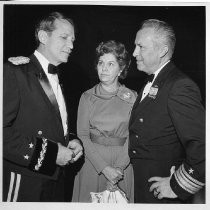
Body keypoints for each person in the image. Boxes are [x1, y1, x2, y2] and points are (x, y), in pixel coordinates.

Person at [3, 12, 83, 202]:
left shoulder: (58, 77)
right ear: (43, 37)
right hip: (26, 180)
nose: (71, 46)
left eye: (73, 40)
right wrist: (52, 154)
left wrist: (72, 140)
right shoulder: (14, 72)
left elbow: (52, 122)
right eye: (64, 37)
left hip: (56, 179)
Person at [129, 19, 205, 203]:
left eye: (141, 47)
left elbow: (204, 145)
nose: (134, 53)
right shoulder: (155, 81)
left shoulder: (179, 85)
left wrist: (177, 186)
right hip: (142, 185)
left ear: (162, 50)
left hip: (160, 191)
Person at [72, 40, 137, 202]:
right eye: (101, 63)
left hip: (123, 162)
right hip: (93, 163)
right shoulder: (87, 97)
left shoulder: (133, 97)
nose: (104, 68)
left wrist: (119, 168)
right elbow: (83, 135)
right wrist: (104, 168)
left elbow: (134, 135)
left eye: (110, 64)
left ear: (120, 68)